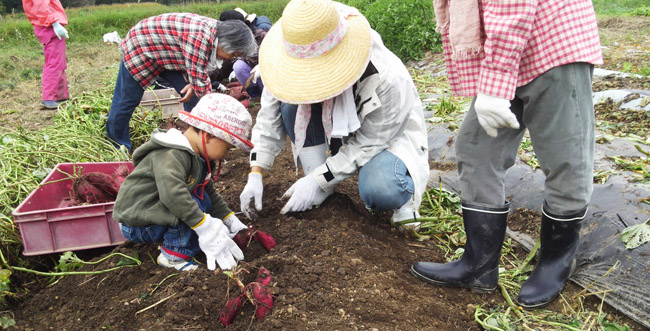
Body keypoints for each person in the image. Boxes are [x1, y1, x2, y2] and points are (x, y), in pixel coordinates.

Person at [411, 0, 603, 309]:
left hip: (550, 41)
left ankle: (556, 262)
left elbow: (512, 6)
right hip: (507, 48)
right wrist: (494, 80)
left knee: (564, 158)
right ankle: (479, 264)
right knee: (475, 147)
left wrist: (495, 84)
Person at [238, 0, 429, 231]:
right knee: (290, 107)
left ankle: (404, 201)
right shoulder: (282, 62)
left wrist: (317, 179)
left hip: (381, 137)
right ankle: (322, 186)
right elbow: (269, 119)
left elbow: (371, 141)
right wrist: (256, 172)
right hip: (331, 124)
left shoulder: (387, 78)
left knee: (381, 189)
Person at [113, 93, 254, 271]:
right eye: (227, 148)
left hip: (153, 213)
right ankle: (173, 256)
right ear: (209, 136)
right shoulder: (171, 154)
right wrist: (204, 226)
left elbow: (207, 191)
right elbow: (173, 196)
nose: (226, 154)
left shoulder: (197, 156)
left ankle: (177, 239)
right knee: (191, 206)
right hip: (137, 222)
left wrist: (228, 218)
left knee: (201, 201)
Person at [106, 13, 257, 152]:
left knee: (192, 94)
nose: (231, 59)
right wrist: (218, 120)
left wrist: (195, 84)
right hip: (141, 46)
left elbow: (198, 75)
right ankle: (118, 145)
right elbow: (205, 92)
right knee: (127, 100)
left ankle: (193, 140)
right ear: (226, 44)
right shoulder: (200, 37)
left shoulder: (216, 34)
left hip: (167, 53)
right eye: (234, 54)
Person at [22, 0, 69, 109]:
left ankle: (61, 95)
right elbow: (41, 6)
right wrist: (54, 23)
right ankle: (48, 98)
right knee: (54, 62)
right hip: (48, 26)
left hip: (48, 25)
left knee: (59, 62)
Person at [224, 8, 272, 98]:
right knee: (238, 66)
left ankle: (269, 95)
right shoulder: (236, 41)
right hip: (255, 75)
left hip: (270, 73)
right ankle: (255, 95)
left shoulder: (261, 35)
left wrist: (261, 65)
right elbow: (226, 60)